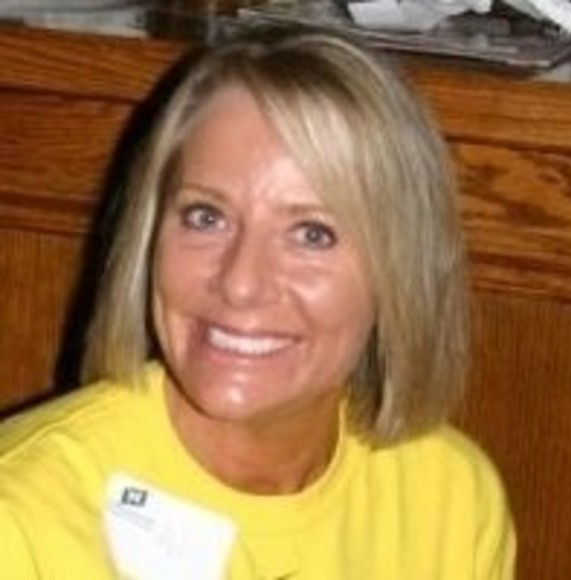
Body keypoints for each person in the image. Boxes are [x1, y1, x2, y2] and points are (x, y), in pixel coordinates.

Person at [0, 26, 515, 579]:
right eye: (206, 217)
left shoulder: (452, 501)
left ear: (400, 270)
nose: (241, 283)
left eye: (312, 233)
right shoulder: (21, 515)